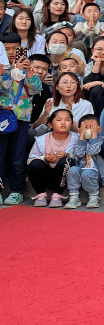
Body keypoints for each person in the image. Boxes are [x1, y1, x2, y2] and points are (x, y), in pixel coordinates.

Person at [0, 35, 41, 206]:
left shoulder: (26, 66)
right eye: (7, 49)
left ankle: (17, 191)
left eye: (15, 49)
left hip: (22, 117)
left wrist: (29, 72)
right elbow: (3, 86)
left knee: (18, 156)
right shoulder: (1, 68)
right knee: (0, 156)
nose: (11, 52)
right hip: (3, 117)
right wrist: (13, 70)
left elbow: (36, 88)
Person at [26, 107, 77, 207]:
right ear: (50, 124)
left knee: (66, 160)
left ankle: (58, 195)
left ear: (71, 123)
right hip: (47, 176)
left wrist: (68, 155)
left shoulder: (77, 138)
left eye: (67, 120)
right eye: (59, 120)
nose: (63, 123)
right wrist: (44, 158)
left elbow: (83, 159)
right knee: (35, 163)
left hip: (66, 178)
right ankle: (40, 194)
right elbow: (30, 160)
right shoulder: (41, 139)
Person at [66, 114, 104, 209]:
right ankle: (74, 197)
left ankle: (94, 196)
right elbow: (79, 154)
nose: (88, 130)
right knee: (72, 170)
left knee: (87, 173)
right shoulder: (80, 140)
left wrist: (94, 136)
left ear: (99, 128)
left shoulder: (102, 139)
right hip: (83, 170)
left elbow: (94, 151)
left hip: (98, 173)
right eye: (85, 128)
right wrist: (81, 136)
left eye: (91, 127)